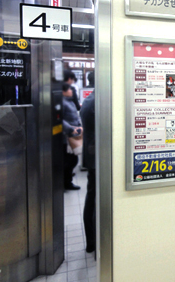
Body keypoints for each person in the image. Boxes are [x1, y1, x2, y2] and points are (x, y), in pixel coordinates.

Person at [81, 72, 96, 252]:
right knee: (93, 200)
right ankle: (92, 241)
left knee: (92, 198)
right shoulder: (96, 102)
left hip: (93, 157)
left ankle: (91, 241)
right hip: (96, 158)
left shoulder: (89, 100)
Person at [62, 82, 82, 190]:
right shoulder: (62, 102)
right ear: (63, 91)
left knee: (72, 159)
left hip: (73, 134)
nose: (71, 91)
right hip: (67, 136)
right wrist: (71, 129)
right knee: (70, 160)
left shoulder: (70, 102)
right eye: (69, 89)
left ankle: (67, 181)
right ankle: (66, 182)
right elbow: (59, 120)